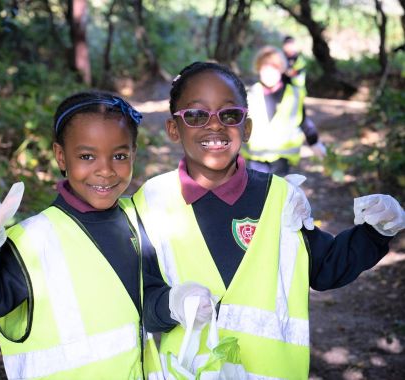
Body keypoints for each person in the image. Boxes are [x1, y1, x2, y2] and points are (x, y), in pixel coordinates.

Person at [133, 61, 405, 379]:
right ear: (173, 129)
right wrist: (170, 304)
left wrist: (375, 231)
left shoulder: (280, 198)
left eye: (229, 114)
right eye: (195, 115)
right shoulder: (152, 201)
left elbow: (324, 268)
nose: (215, 125)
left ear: (246, 128)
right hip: (186, 372)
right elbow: (143, 299)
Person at [0, 92, 163, 379]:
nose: (105, 170)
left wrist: (176, 304)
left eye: (119, 156)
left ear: (134, 153)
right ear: (60, 156)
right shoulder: (33, 240)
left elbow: (151, 300)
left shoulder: (138, 220)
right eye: (87, 156)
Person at [242, 45, 326, 176]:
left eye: (274, 68)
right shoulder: (249, 95)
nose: (269, 72)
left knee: (278, 194)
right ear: (258, 69)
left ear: (281, 69)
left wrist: (314, 142)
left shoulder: (294, 94)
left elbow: (303, 120)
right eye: (265, 68)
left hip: (282, 159)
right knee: (258, 194)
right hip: (255, 159)